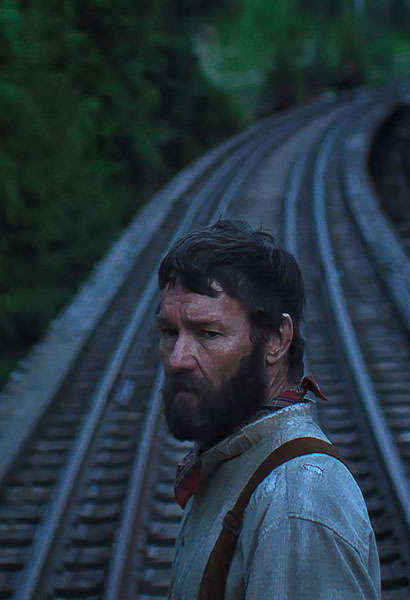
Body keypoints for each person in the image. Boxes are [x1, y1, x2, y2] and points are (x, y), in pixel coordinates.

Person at [156, 219, 380, 599]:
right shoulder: (235, 461)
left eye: (208, 334)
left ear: (277, 340)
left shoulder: (296, 507)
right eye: (169, 333)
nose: (178, 359)